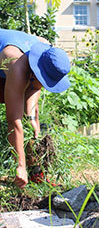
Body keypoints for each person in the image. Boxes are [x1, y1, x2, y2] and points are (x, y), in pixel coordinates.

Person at [0, 28, 71, 189]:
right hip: (7, 63)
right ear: (36, 72)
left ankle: (35, 172)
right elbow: (14, 121)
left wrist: (33, 125)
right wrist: (20, 166)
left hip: (21, 71)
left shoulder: (44, 48)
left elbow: (31, 113)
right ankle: (23, 167)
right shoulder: (16, 64)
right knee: (15, 110)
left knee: (31, 122)